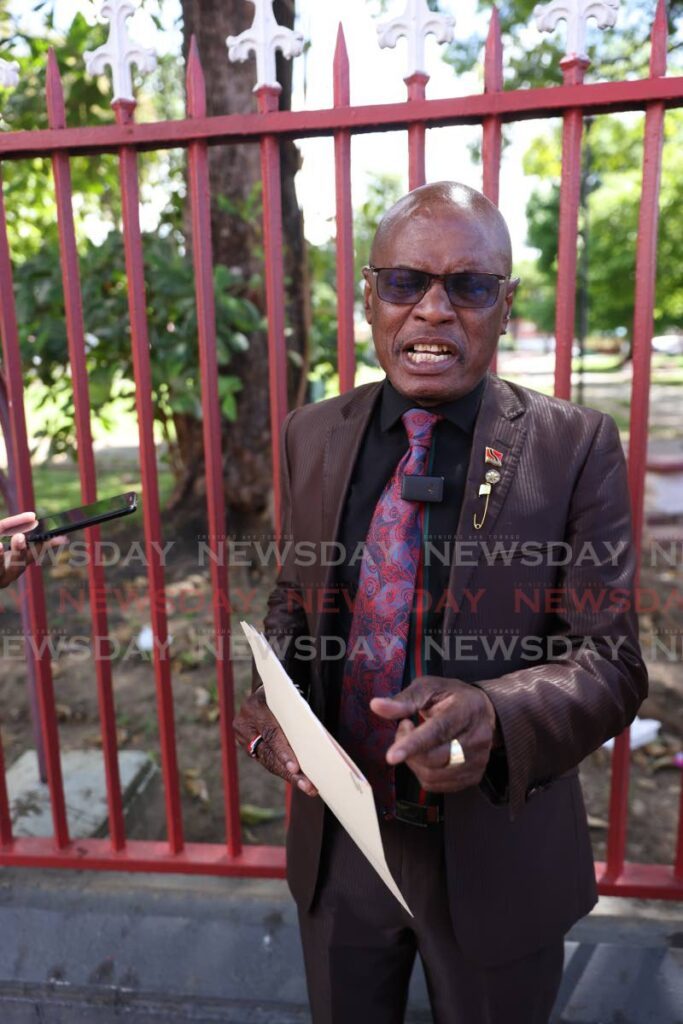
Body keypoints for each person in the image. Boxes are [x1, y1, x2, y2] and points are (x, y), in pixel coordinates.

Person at [234, 181, 647, 1024]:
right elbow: (296, 596)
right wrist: (267, 704)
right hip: (340, 847)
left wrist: (490, 713)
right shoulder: (309, 433)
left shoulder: (574, 447)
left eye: (467, 285)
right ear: (369, 297)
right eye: (403, 283)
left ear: (503, 304)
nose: (431, 310)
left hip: (498, 851)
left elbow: (610, 660)